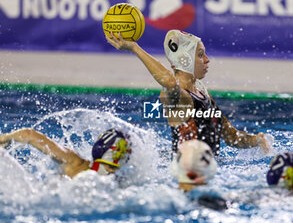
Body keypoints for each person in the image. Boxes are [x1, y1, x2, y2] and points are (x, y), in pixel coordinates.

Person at [106, 30, 271, 155]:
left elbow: (231, 137)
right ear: (185, 60)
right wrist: (135, 48)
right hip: (187, 174)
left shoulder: (202, 92)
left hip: (209, 169)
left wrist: (255, 140)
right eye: (200, 55)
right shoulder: (178, 97)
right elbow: (170, 82)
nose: (207, 59)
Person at [0, 128, 132, 178]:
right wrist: (4, 139)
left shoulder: (120, 182)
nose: (112, 173)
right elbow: (29, 134)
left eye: (116, 168)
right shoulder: (74, 162)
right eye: (110, 167)